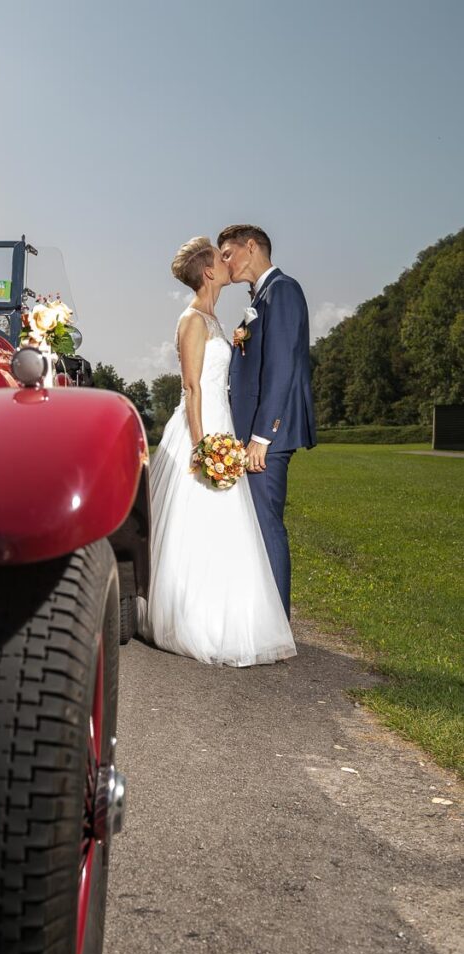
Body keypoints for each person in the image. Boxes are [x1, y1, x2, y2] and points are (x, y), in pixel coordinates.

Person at [138, 237, 295, 667]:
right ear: (208, 272)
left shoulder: (216, 319)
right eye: (219, 258)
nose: (227, 263)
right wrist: (202, 444)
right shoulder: (191, 320)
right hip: (203, 429)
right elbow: (191, 388)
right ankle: (195, 617)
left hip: (223, 424)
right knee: (199, 521)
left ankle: (236, 614)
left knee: (231, 526)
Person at [218, 225, 316, 618]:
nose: (224, 263)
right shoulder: (263, 295)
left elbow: (280, 368)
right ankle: (263, 617)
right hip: (254, 432)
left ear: (252, 246)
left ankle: (276, 624)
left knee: (266, 524)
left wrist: (262, 436)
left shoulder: (283, 291)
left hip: (268, 434)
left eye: (227, 253)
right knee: (256, 525)